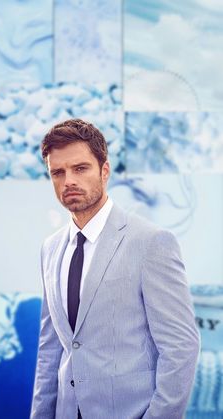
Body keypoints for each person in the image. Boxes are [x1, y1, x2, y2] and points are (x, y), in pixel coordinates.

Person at [30, 118, 200, 419]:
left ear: (104, 171)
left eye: (80, 168)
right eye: (58, 172)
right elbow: (51, 351)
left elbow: (181, 348)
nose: (68, 180)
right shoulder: (50, 248)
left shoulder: (151, 242)